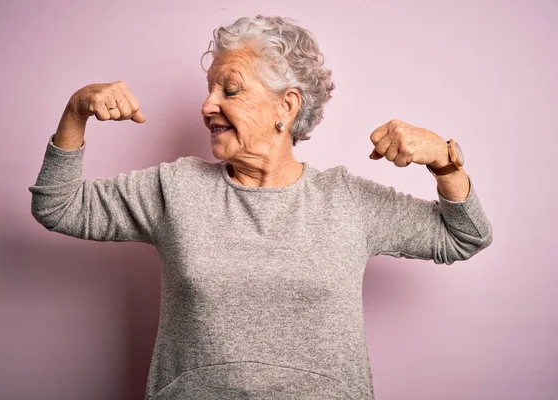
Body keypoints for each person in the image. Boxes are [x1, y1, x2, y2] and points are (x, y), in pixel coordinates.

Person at [29, 15, 493, 400]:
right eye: (209, 90)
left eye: (229, 91)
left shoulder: (347, 201)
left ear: (286, 107)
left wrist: (445, 163)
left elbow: (465, 235)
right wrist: (76, 110)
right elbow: (60, 205)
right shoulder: (177, 188)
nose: (207, 105)